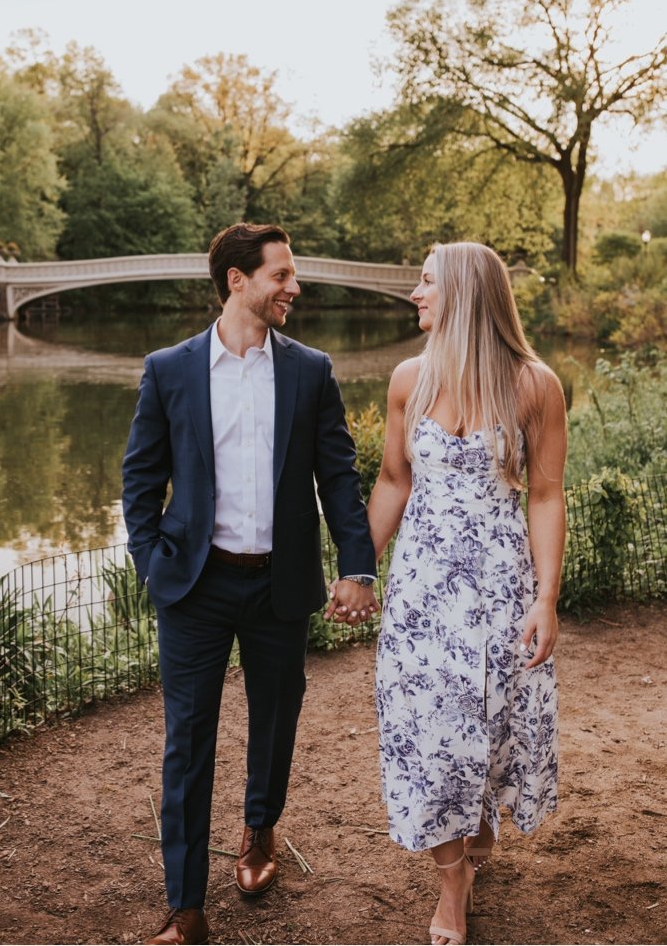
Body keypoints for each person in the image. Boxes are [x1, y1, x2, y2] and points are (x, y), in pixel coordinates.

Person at [121, 223, 379, 946]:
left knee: (275, 719)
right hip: (194, 587)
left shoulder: (310, 370)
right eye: (282, 275)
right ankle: (185, 906)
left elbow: (339, 478)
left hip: (279, 585)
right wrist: (151, 561)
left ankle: (259, 830)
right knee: (187, 740)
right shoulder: (169, 369)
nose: (295, 286)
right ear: (238, 280)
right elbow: (140, 480)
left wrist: (358, 564)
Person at [361, 242, 564, 946]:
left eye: (425, 282)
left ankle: (477, 825)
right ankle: (452, 884)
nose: (414, 293)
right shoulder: (408, 379)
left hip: (499, 593)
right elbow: (393, 480)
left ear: (465, 294)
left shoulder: (534, 385)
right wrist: (358, 567)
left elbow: (545, 494)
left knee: (485, 724)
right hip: (420, 594)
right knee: (425, 725)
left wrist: (546, 597)